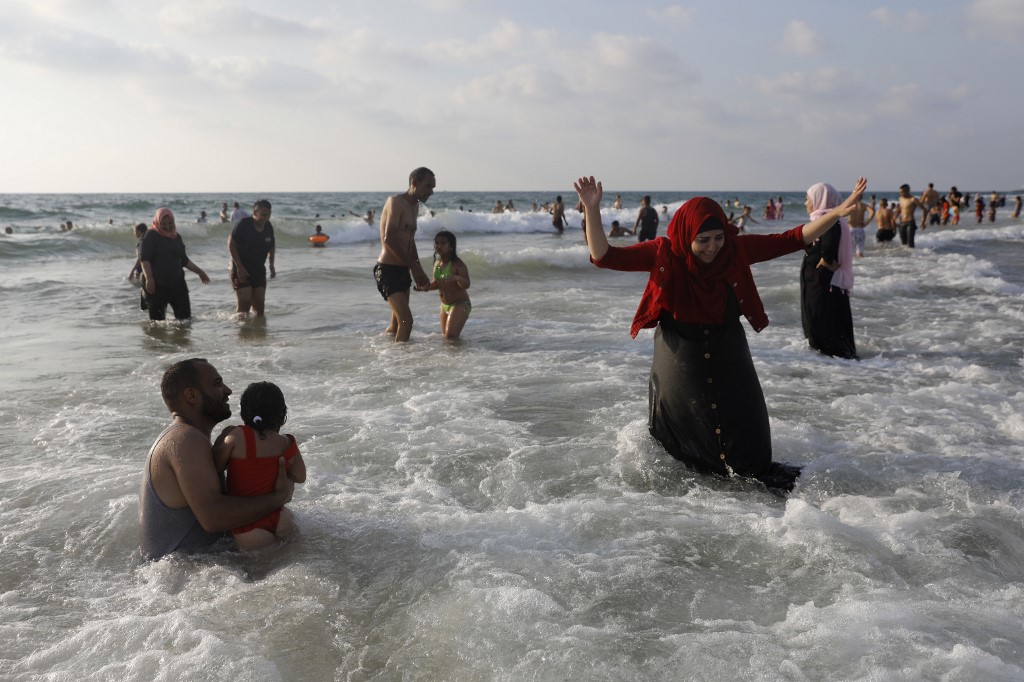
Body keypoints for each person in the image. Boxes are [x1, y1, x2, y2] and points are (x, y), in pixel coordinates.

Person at [574, 174, 867, 491]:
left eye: (718, 237)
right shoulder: (663, 253)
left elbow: (792, 238)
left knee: (749, 440)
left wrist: (837, 214)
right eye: (703, 240)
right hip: (679, 352)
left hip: (729, 348)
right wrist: (592, 210)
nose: (712, 247)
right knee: (684, 447)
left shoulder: (735, 249)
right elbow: (604, 256)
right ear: (687, 235)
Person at [139, 359, 294, 560]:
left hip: (194, 571)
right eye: (217, 383)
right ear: (192, 395)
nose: (228, 390)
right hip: (184, 575)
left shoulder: (188, 439)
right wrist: (278, 497)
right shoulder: (184, 439)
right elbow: (213, 518)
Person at [213, 381, 306, 551]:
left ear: (244, 411)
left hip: (247, 524)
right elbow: (301, 476)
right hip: (281, 517)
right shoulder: (286, 442)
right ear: (282, 413)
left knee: (261, 574)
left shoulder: (237, 436)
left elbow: (214, 468)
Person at [374, 167, 434, 342]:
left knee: (395, 327)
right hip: (387, 269)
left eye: (433, 187)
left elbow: (410, 242)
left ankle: (386, 356)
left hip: (402, 270)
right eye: (428, 186)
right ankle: (401, 367)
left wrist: (419, 270)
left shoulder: (414, 207)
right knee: (406, 321)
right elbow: (390, 238)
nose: (431, 191)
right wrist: (414, 268)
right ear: (414, 183)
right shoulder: (395, 202)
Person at [800, 183, 858, 359]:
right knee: (825, 319)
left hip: (822, 282)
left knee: (821, 319)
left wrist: (824, 263)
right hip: (822, 281)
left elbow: (830, 246)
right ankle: (831, 355)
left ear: (819, 199)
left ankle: (829, 356)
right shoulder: (829, 219)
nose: (805, 203)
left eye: (807, 199)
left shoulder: (828, 219)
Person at [140, 208, 210, 322]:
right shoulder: (150, 235)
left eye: (170, 223)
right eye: (163, 224)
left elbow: (184, 260)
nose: (168, 226)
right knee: (157, 325)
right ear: (157, 222)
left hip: (178, 286)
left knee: (185, 321)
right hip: (156, 287)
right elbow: (144, 259)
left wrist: (200, 272)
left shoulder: (177, 237)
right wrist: (149, 278)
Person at [228, 199, 276, 317]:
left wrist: (271, 264)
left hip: (258, 269)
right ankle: (243, 333)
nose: (266, 218)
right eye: (263, 215)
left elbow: (272, 245)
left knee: (259, 305)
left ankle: (258, 332)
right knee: (245, 302)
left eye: (268, 215)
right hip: (240, 267)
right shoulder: (244, 225)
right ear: (255, 213)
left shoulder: (268, 227)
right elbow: (231, 243)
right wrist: (239, 266)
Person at [429, 229, 471, 340]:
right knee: (447, 339)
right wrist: (425, 287)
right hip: (444, 306)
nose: (439, 246)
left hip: (460, 304)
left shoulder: (458, 265)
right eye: (437, 243)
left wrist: (457, 278)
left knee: (451, 336)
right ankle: (454, 357)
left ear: (451, 247)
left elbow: (467, 284)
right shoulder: (437, 264)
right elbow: (436, 284)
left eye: (443, 243)